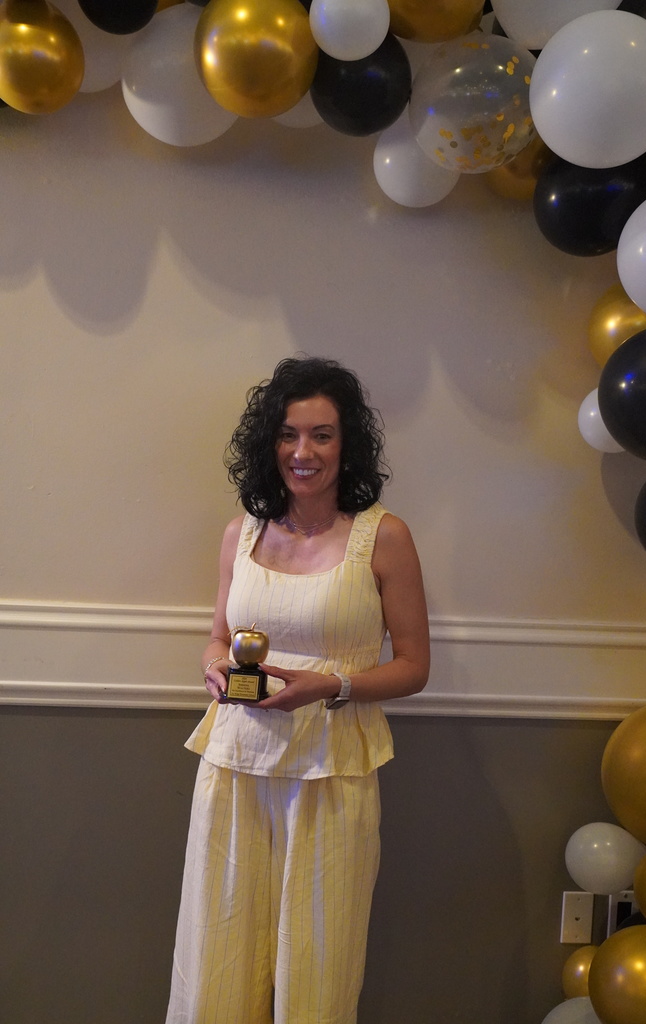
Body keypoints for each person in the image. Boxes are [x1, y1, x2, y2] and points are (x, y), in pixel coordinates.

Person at [165, 355, 429, 1024]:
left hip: (331, 764)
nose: (302, 452)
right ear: (268, 443)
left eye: (321, 434)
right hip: (236, 761)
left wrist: (331, 685)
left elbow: (414, 666)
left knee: (318, 955)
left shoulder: (384, 537)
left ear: (349, 445)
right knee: (218, 944)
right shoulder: (241, 532)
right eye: (287, 434)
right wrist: (213, 662)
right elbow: (217, 636)